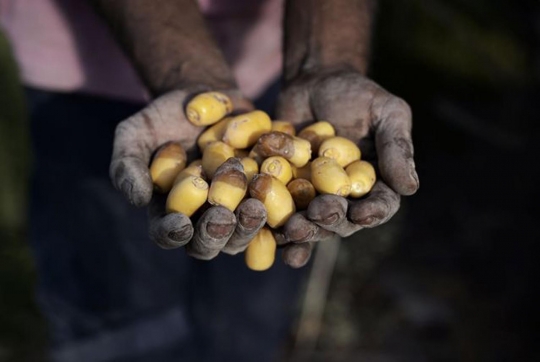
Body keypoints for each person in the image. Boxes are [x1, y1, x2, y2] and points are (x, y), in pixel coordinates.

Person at [0, 0, 418, 360]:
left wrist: (325, 61)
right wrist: (186, 75)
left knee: (248, 314)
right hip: (86, 74)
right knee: (120, 314)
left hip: (273, 65)